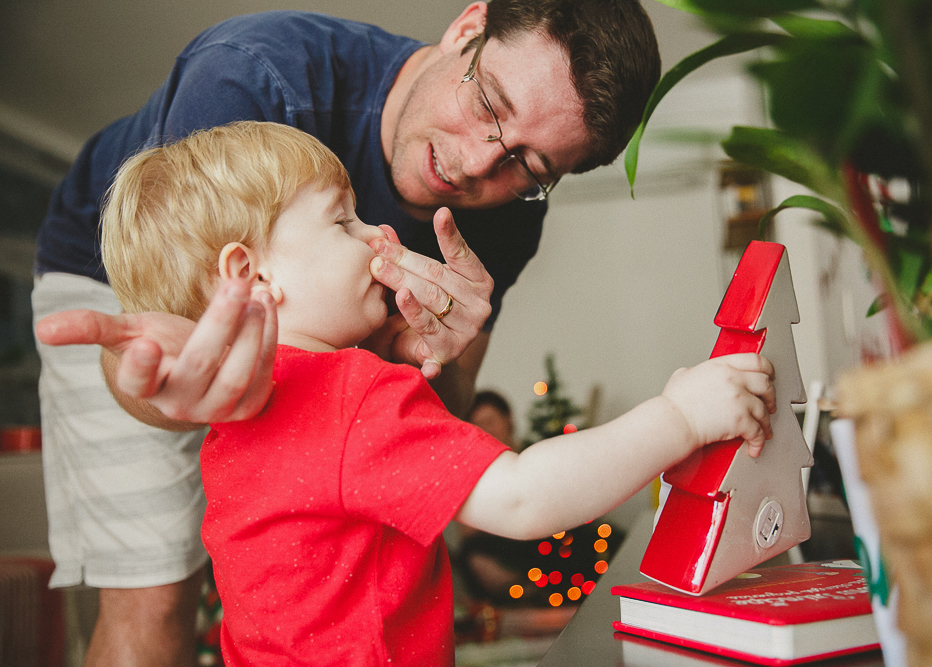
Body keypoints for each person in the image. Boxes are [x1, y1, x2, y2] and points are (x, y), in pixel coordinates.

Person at [32, 2, 662, 663]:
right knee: (155, 586)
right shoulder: (253, 79)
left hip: (305, 319)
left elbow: (436, 420)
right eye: (490, 104)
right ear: (467, 29)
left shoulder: (508, 216)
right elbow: (163, 347)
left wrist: (430, 363)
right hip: (116, 277)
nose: (480, 164)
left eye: (530, 165)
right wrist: (157, 386)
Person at [68, 119, 776, 667]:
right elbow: (524, 497)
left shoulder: (239, 423)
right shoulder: (348, 395)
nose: (376, 232)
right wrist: (680, 415)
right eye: (341, 220)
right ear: (251, 275)